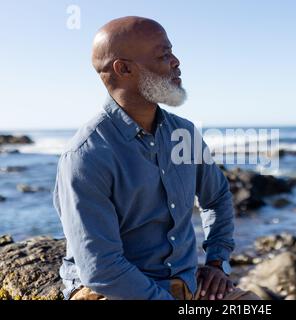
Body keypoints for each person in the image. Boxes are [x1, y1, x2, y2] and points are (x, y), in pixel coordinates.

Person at [53, 16, 260, 300]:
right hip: (111, 291)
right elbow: (101, 269)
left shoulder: (183, 133)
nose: (176, 61)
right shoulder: (86, 156)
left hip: (183, 283)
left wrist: (216, 263)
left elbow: (216, 197)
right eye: (164, 55)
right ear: (123, 69)